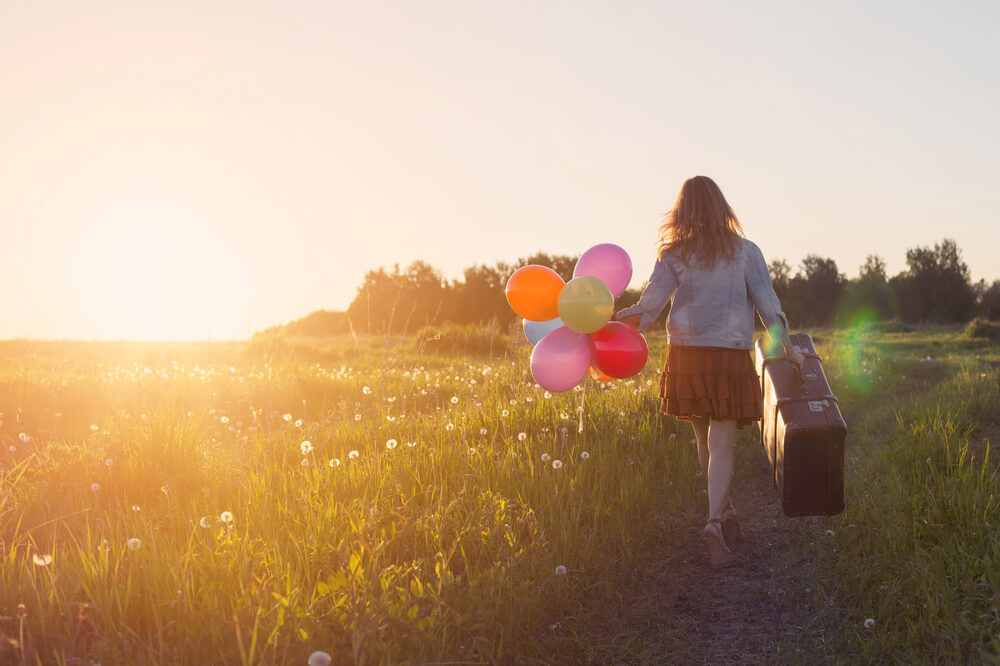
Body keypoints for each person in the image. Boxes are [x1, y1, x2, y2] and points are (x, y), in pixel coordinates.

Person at [614, 175, 804, 568]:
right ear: (722, 207)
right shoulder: (746, 252)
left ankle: (726, 511)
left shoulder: (674, 253)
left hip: (687, 353)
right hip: (728, 353)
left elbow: (648, 306)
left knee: (704, 440)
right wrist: (790, 351)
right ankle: (715, 521)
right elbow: (769, 308)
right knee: (722, 442)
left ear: (683, 211)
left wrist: (617, 322)